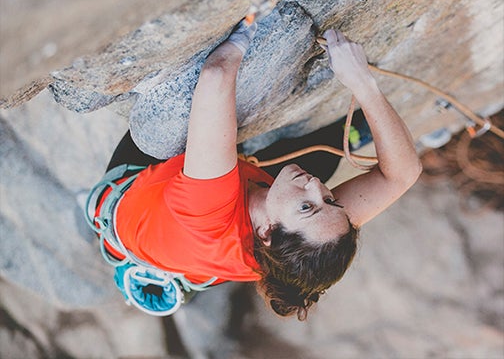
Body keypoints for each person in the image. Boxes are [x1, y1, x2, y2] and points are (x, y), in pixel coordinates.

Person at [99, 20, 422, 320]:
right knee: (322, 161)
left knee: (170, 125)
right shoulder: (297, 249)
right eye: (332, 201)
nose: (317, 187)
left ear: (266, 232)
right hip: (202, 253)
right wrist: (364, 85)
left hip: (134, 200)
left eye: (308, 206)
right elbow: (401, 174)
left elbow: (217, 73)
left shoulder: (207, 211)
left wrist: (256, 13)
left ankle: (342, 135)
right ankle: (348, 134)